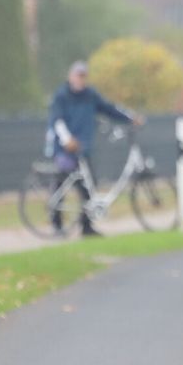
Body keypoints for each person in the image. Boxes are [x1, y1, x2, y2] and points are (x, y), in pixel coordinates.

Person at [47, 61, 143, 237]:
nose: (80, 79)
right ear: (71, 76)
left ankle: (86, 227)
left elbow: (109, 109)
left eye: (83, 76)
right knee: (61, 187)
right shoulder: (61, 96)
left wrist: (130, 118)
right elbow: (57, 120)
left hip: (83, 149)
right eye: (78, 75)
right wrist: (67, 140)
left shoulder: (90, 95)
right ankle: (57, 226)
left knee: (88, 188)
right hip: (65, 149)